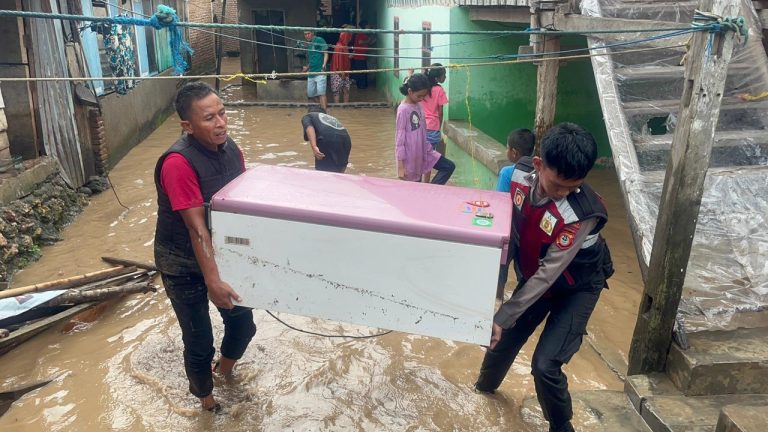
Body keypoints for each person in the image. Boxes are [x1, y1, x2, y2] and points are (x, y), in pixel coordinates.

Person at [475, 123, 614, 432]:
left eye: (574, 187)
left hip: (576, 288)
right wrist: (494, 302)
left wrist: (503, 315)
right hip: (537, 278)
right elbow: (505, 239)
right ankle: (482, 392)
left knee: (545, 366)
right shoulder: (517, 177)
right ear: (538, 165)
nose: (565, 193)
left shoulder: (582, 213)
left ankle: (561, 426)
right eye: (558, 185)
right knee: (500, 342)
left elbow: (550, 272)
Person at [154, 82, 256, 413]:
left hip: (221, 253)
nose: (221, 123)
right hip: (181, 262)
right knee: (199, 340)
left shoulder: (232, 149)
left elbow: (242, 204)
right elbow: (197, 229)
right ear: (187, 125)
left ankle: (223, 372)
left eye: (222, 113)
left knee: (243, 324)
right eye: (210, 118)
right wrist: (213, 282)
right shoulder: (177, 163)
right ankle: (207, 403)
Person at [495, 128, 536, 300]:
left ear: (513, 152)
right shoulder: (537, 174)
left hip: (509, 231)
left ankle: (498, 301)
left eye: (507, 147)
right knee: (524, 274)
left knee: (500, 271)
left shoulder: (507, 172)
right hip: (528, 234)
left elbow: (500, 204)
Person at [396, 73, 455, 185]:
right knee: (415, 186)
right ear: (410, 91)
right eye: (419, 96)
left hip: (424, 150)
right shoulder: (403, 110)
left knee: (449, 166)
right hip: (410, 157)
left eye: (424, 96)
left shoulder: (418, 105)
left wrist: (429, 149)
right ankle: (428, 192)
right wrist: (400, 166)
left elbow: (422, 131)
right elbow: (399, 140)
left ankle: (432, 190)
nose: (422, 99)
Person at [301, 106, 352, 173]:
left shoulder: (309, 116)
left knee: (322, 173)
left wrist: (314, 146)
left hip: (327, 138)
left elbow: (309, 127)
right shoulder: (331, 118)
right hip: (346, 140)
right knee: (339, 171)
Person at [495, 128, 536, 194]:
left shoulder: (506, 173)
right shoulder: (536, 172)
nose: (506, 151)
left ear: (514, 153)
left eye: (507, 148)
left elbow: (500, 197)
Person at [421, 64, 449, 155]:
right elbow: (440, 112)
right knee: (429, 157)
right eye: (444, 75)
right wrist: (438, 128)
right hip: (433, 128)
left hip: (420, 127)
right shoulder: (439, 90)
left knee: (421, 156)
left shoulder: (422, 88)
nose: (445, 77)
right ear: (437, 77)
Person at [299, 31, 329, 111]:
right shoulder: (309, 45)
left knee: (321, 94)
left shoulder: (319, 40)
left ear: (312, 33)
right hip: (311, 72)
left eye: (308, 33)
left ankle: (324, 111)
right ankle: (319, 109)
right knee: (311, 95)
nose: (307, 36)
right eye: (305, 34)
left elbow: (326, 53)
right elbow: (312, 59)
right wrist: (307, 68)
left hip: (320, 71)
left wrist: (324, 64)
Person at [330, 31, 353, 104]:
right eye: (349, 37)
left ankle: (345, 107)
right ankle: (338, 107)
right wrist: (341, 72)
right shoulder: (339, 47)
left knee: (346, 90)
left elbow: (344, 58)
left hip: (345, 72)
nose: (350, 39)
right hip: (339, 72)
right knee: (337, 92)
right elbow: (338, 60)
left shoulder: (344, 46)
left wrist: (349, 56)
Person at [351, 20, 375, 89]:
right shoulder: (361, 33)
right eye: (368, 25)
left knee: (362, 72)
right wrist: (368, 40)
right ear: (365, 26)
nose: (369, 26)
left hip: (361, 56)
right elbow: (360, 42)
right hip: (359, 56)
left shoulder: (362, 33)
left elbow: (364, 43)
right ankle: (361, 87)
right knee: (362, 72)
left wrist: (370, 41)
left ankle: (362, 86)